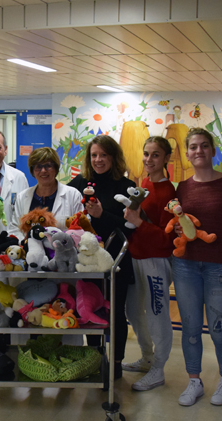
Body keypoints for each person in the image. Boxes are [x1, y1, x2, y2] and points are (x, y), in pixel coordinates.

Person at [171, 128, 222, 407]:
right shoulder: (183, 187)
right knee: (189, 328)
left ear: (213, 150)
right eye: (193, 147)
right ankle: (194, 381)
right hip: (186, 265)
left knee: (220, 328)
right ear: (187, 154)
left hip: (221, 265)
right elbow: (179, 219)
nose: (198, 151)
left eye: (204, 146)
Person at [69, 135, 135, 377]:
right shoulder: (77, 184)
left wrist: (100, 214)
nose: (98, 160)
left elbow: (130, 226)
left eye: (104, 155)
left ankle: (116, 363)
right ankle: (95, 357)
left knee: (117, 313)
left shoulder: (125, 187)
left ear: (113, 158)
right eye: (94, 155)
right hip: (85, 262)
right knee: (89, 310)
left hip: (116, 262)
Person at [122, 136, 177, 391]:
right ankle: (147, 357)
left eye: (156, 155)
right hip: (136, 256)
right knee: (133, 311)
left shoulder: (169, 193)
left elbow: (167, 238)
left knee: (157, 314)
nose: (149, 159)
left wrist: (140, 223)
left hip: (156, 261)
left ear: (166, 158)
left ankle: (159, 369)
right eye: (146, 154)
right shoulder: (144, 185)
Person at [7, 146, 83, 239]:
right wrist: (25, 243)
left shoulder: (73, 195)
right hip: (30, 251)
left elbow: (81, 228)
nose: (43, 171)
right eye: (38, 167)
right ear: (33, 170)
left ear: (55, 168)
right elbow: (15, 228)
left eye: (48, 166)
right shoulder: (22, 197)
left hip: (61, 251)